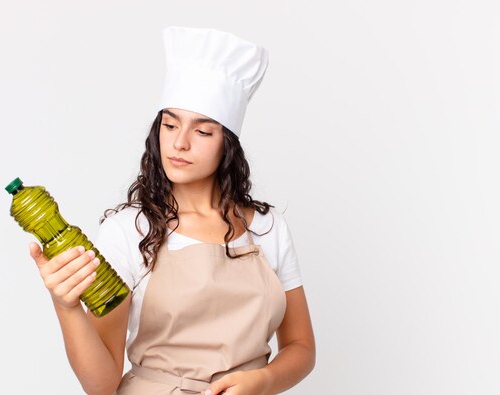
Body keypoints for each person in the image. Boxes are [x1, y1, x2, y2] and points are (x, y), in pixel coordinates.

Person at [29, 26, 316, 395]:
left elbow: (301, 347)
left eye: (202, 132)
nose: (179, 143)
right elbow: (101, 384)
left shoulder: (267, 227)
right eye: (170, 124)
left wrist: (263, 380)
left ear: (227, 145)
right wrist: (66, 307)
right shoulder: (127, 232)